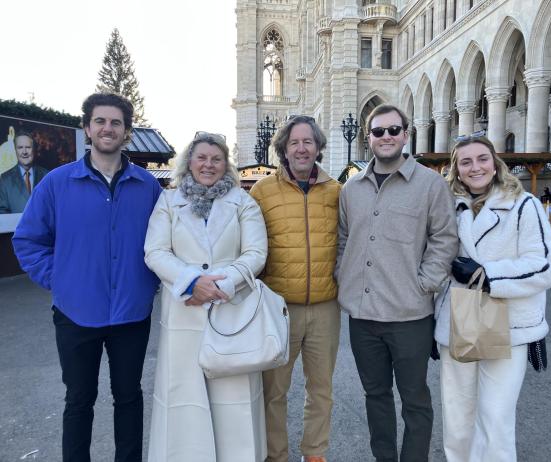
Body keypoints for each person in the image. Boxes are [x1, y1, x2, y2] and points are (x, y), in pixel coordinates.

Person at [12, 92, 162, 462]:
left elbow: (168, 245)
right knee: (79, 400)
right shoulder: (57, 184)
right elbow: (28, 240)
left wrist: (153, 282)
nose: (107, 128)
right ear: (87, 128)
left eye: (115, 122)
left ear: (127, 131)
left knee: (129, 397)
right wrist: (59, 279)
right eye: (100, 121)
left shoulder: (149, 188)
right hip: (76, 313)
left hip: (132, 313)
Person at [336, 104, 458, 462]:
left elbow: (444, 238)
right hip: (362, 317)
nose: (386, 137)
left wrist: (425, 283)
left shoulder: (430, 184)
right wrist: (344, 276)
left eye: (393, 130)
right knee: (375, 396)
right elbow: (344, 239)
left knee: (415, 400)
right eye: (378, 131)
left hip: (410, 316)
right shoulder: (351, 188)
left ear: (406, 134)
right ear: (368, 137)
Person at [434, 134, 551, 462]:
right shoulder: (446, 207)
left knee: (496, 419)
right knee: (458, 420)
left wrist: (487, 275)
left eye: (482, 159)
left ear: (494, 163)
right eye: (466, 161)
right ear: (456, 170)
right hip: (457, 324)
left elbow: (545, 266)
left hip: (507, 325)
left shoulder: (524, 205)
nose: (475, 167)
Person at [144, 131, 268, 461]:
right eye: (202, 158)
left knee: (234, 399)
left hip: (231, 309)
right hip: (185, 312)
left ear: (225, 164)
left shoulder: (244, 201)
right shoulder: (168, 201)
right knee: (185, 397)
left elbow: (255, 252)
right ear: (189, 161)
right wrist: (191, 281)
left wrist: (219, 286)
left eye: (216, 159)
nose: (208, 165)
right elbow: (155, 251)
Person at [250, 115, 341, 462]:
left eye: (308, 142)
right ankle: (276, 456)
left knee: (321, 391)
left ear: (318, 147)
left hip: (324, 308)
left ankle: (314, 454)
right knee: (274, 392)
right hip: (278, 308)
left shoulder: (336, 191)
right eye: (294, 143)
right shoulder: (262, 191)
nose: (301, 148)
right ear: (283, 149)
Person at [0, 131, 49, 213]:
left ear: (34, 149)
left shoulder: (47, 175)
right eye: (20, 147)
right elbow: (2, 212)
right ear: (15, 150)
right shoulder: (5, 179)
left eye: (28, 147)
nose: (24, 152)